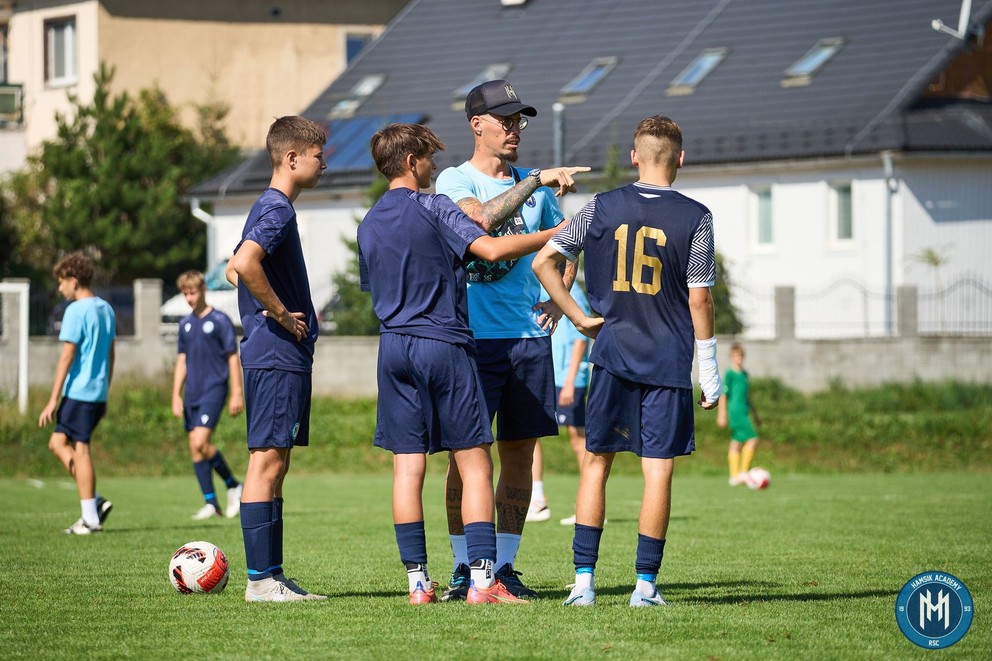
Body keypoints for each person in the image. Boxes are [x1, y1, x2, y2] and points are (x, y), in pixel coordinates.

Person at [359, 123, 582, 605]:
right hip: (445, 342)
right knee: (476, 463)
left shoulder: (369, 221)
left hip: (393, 346)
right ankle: (483, 582)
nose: (433, 166)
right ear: (411, 161)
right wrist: (557, 232)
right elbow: (491, 246)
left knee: (407, 468)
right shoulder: (437, 205)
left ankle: (418, 584)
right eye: (427, 159)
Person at [532, 115, 722, 607]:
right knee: (657, 472)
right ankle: (644, 588)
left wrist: (576, 317)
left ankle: (583, 584)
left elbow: (543, 260)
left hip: (611, 356)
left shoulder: (599, 207)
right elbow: (699, 300)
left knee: (595, 466)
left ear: (635, 157)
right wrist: (711, 369)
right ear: (681, 158)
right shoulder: (697, 216)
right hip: (667, 360)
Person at [435, 79, 589, 601]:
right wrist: (537, 181)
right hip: (471, 341)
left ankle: (503, 565)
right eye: (505, 120)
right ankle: (463, 566)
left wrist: (559, 297)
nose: (514, 129)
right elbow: (480, 222)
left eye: (519, 120)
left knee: (519, 456)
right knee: (467, 459)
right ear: (477, 125)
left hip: (527, 340)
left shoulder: (535, 185)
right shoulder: (453, 180)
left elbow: (568, 243)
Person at [225, 115, 327, 602]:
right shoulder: (277, 208)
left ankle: (273, 575)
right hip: (275, 355)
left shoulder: (269, 207)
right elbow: (244, 265)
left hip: (278, 356)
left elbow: (232, 266)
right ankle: (260, 580)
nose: (323, 162)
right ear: (291, 158)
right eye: (317, 155)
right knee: (267, 462)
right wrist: (282, 313)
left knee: (275, 462)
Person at [38, 252, 116, 535]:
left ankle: (90, 520)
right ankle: (93, 500)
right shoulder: (106, 308)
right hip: (95, 393)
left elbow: (67, 356)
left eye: (61, 282)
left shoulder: (75, 310)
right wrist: (105, 391)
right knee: (57, 443)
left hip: (79, 392)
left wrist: (52, 399)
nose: (60, 288)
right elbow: (111, 353)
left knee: (81, 451)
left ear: (73, 281)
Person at [171, 270, 245, 520]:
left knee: (200, 442)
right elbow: (182, 361)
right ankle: (211, 503)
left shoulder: (220, 321)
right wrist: (175, 395)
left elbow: (232, 358)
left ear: (203, 290)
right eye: (185, 294)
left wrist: (236, 392)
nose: (189, 298)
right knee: (195, 449)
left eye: (192, 292)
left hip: (214, 389)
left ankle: (234, 485)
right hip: (192, 393)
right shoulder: (185, 324)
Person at [526, 283, 592, 526]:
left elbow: (580, 339)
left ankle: (591, 504)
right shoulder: (539, 288)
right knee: (530, 434)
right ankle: (537, 499)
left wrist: (569, 381)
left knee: (578, 439)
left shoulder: (571, 291)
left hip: (568, 378)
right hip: (547, 373)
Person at [717, 341, 762, 486]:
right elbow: (724, 395)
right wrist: (722, 415)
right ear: (731, 357)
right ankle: (743, 472)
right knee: (753, 438)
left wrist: (755, 415)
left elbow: (747, 396)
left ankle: (734, 476)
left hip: (744, 410)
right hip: (735, 411)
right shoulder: (730, 374)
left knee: (736, 442)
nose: (739, 358)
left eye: (741, 356)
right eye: (736, 356)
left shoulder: (745, 374)